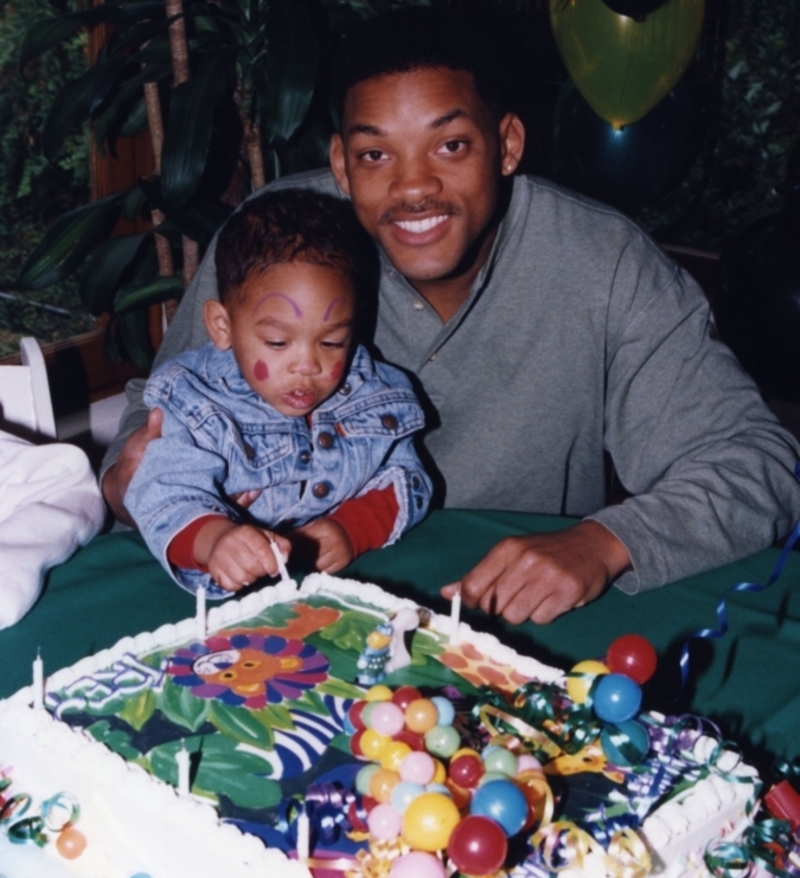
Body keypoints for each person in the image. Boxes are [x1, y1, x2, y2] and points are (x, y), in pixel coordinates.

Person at [104, 7, 800, 622]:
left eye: (451, 145)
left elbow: (760, 464)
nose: (413, 186)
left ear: (508, 144)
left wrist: (603, 541)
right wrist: (127, 474)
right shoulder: (269, 248)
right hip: (278, 619)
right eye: (376, 154)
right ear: (342, 166)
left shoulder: (606, 265)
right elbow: (150, 426)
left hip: (516, 629)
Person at [124, 189, 432, 596]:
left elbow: (408, 479)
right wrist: (214, 540)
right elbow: (165, 493)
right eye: (277, 342)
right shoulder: (195, 400)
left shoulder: (374, 393)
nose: (308, 365)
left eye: (332, 342)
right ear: (222, 326)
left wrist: (350, 529)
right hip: (218, 603)